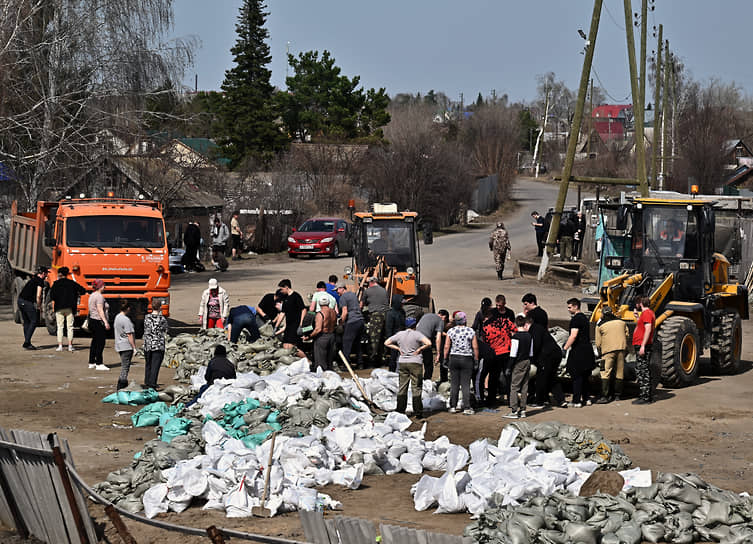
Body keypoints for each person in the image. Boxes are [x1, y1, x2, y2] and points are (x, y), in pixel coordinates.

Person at [523, 293, 566, 408]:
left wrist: (531, 358)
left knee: (541, 377)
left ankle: (539, 401)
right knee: (551, 377)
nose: (525, 307)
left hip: (546, 354)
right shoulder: (543, 313)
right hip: (553, 351)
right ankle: (561, 400)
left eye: (526, 304)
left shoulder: (534, 327)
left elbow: (536, 344)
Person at [385, 317, 432, 418]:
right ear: (415, 325)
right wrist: (419, 349)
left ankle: (400, 410)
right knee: (416, 388)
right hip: (415, 362)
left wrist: (398, 348)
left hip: (402, 362)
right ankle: (418, 412)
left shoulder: (400, 334)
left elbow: (387, 342)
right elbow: (428, 343)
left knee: (402, 387)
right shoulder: (417, 334)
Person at [443, 311, 479, 415]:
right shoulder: (471, 331)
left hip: (454, 358)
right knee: (465, 384)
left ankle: (453, 406)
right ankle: (467, 407)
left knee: (454, 384)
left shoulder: (451, 331)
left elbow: (446, 346)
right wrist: (476, 360)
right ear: (465, 320)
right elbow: (475, 347)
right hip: (467, 359)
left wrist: (445, 358)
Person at [480, 305, 517, 407]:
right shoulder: (504, 321)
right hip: (507, 352)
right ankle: (511, 400)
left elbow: (485, 342)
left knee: (493, 377)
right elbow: (515, 330)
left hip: (495, 353)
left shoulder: (486, 327)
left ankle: (491, 400)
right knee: (508, 376)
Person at [563, 298, 596, 407]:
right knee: (585, 377)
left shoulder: (576, 319)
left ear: (576, 306)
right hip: (588, 350)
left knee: (576, 376)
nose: (568, 309)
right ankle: (586, 399)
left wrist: (565, 348)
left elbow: (573, 335)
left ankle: (576, 400)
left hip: (578, 351)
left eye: (569, 307)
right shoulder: (585, 318)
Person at [594, 306, 630, 403]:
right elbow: (627, 334)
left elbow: (598, 343)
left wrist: (600, 352)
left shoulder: (600, 325)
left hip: (607, 351)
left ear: (603, 314)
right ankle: (618, 395)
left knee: (605, 372)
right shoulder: (622, 322)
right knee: (619, 372)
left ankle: (605, 396)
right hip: (621, 350)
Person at [503, 315, 534, 419]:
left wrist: (508, 367)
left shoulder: (516, 337)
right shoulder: (529, 336)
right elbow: (531, 352)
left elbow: (513, 354)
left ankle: (514, 410)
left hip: (519, 362)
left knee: (514, 387)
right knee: (525, 386)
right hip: (527, 361)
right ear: (524, 323)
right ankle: (523, 410)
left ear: (515, 324)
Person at [50, 266, 85, 352]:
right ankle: (70, 346)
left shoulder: (56, 284)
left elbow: (52, 296)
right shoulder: (72, 283)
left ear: (60, 274)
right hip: (70, 307)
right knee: (70, 327)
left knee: (60, 326)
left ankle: (60, 346)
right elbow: (83, 291)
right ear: (67, 274)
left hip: (59, 307)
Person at [17, 266, 49, 350]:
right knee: (34, 321)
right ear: (43, 273)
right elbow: (38, 295)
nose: (47, 276)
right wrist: (39, 307)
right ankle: (27, 342)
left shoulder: (33, 279)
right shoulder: (40, 281)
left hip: (20, 300)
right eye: (46, 274)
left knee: (27, 322)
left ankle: (27, 342)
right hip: (27, 302)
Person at [335, 281, 365, 368]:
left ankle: (346, 364)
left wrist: (341, 323)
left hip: (352, 322)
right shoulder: (352, 294)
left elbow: (344, 312)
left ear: (341, 289)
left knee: (346, 343)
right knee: (357, 343)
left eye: (337, 290)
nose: (337, 292)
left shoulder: (343, 298)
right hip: (360, 320)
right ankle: (360, 363)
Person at [632, 296, 656, 404]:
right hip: (642, 344)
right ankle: (646, 395)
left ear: (640, 303)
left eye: (637, 303)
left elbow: (648, 329)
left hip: (643, 345)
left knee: (642, 370)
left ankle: (645, 397)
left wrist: (643, 345)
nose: (636, 305)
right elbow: (643, 327)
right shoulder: (647, 313)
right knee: (643, 369)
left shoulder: (646, 313)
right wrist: (637, 317)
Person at [304, 297, 337, 371]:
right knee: (329, 359)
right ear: (328, 303)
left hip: (322, 337)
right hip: (331, 336)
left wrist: (308, 336)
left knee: (320, 361)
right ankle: (329, 374)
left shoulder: (320, 314)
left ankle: (322, 377)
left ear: (319, 304)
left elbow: (318, 329)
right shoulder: (333, 312)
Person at [363, 276, 390, 367]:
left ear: (370, 283)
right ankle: (383, 356)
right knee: (383, 336)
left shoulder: (368, 291)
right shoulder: (384, 290)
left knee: (373, 338)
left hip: (375, 316)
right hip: (385, 315)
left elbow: (362, 303)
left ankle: (373, 358)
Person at [416, 310, 450, 380]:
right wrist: (438, 353)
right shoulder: (440, 321)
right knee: (428, 364)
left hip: (415, 338)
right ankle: (426, 381)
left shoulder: (427, 315)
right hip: (425, 341)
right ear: (444, 317)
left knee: (417, 361)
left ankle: (416, 379)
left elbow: (418, 326)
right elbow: (438, 339)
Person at [143, 299, 168, 390]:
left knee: (148, 364)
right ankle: (152, 383)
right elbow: (166, 329)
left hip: (148, 344)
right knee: (155, 365)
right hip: (158, 344)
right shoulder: (162, 319)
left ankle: (147, 381)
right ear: (160, 307)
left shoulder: (146, 317)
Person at [277, 279, 306, 353]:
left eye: (281, 289)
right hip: (288, 326)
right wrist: (276, 326)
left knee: (292, 348)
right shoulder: (285, 298)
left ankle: (308, 361)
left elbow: (303, 310)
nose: (281, 291)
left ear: (287, 287)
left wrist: (301, 325)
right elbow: (282, 313)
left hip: (295, 325)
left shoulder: (296, 296)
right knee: (285, 346)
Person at [87, 279, 110, 371]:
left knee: (94, 342)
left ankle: (91, 361)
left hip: (92, 320)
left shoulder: (92, 295)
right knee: (100, 343)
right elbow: (100, 310)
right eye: (103, 285)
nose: (104, 287)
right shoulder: (99, 297)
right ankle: (99, 363)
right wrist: (105, 322)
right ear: (100, 286)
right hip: (98, 321)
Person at [114, 301, 137, 390]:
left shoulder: (117, 317)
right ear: (127, 308)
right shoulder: (126, 320)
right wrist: (134, 347)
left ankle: (123, 384)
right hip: (126, 346)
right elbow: (129, 334)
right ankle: (121, 385)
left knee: (124, 365)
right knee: (125, 367)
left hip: (119, 345)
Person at [385, 294, 406, 372]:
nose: (403, 304)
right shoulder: (390, 314)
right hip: (394, 338)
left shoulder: (402, 312)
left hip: (402, 338)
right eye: (401, 302)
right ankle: (392, 372)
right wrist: (390, 340)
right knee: (393, 357)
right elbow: (388, 328)